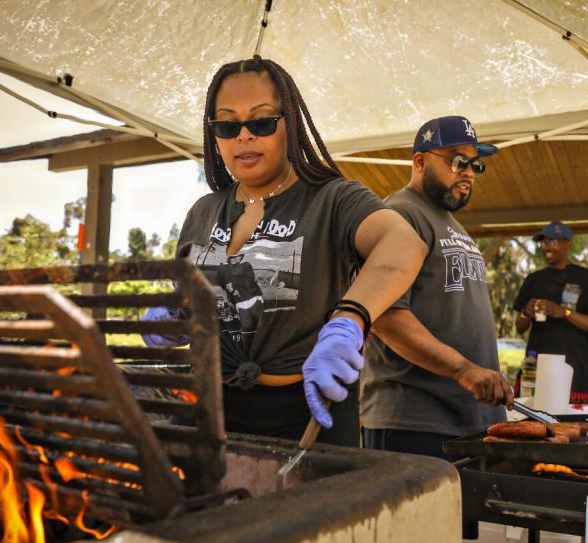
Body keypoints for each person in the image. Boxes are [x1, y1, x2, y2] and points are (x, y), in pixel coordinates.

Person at [143, 56, 425, 446]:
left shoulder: (332, 199)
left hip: (310, 416)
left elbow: (403, 242)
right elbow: (191, 299)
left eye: (261, 122)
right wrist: (172, 316)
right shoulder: (203, 211)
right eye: (227, 124)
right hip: (213, 415)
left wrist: (350, 320)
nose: (244, 136)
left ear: (288, 124)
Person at [360, 116, 513, 460]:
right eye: (459, 160)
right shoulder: (399, 214)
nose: (469, 172)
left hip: (471, 421)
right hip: (415, 423)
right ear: (419, 161)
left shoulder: (451, 223)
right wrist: (465, 370)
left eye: (476, 164)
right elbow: (385, 315)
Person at [513, 222, 588, 405]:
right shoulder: (534, 280)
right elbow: (519, 327)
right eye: (543, 242)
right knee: (528, 424)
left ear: (568, 243)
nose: (547, 246)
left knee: (569, 426)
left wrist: (563, 312)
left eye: (553, 241)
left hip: (572, 371)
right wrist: (527, 313)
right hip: (535, 369)